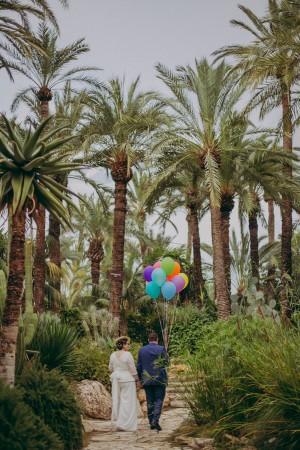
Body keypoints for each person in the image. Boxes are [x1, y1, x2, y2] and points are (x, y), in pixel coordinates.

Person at [137, 331, 168, 431]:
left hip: (146, 379)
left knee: (150, 400)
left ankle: (151, 422)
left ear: (148, 340)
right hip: (160, 379)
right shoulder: (161, 349)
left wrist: (140, 379)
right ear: (157, 339)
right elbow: (166, 362)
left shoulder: (142, 350)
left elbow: (139, 366)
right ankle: (155, 420)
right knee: (159, 400)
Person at [109, 336, 138, 431]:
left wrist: (118, 371)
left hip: (116, 379)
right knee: (128, 402)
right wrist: (137, 379)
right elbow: (133, 369)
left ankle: (118, 422)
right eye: (128, 344)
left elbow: (110, 368)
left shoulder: (112, 355)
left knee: (118, 400)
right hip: (127, 379)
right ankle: (126, 424)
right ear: (123, 345)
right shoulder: (128, 354)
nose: (129, 346)